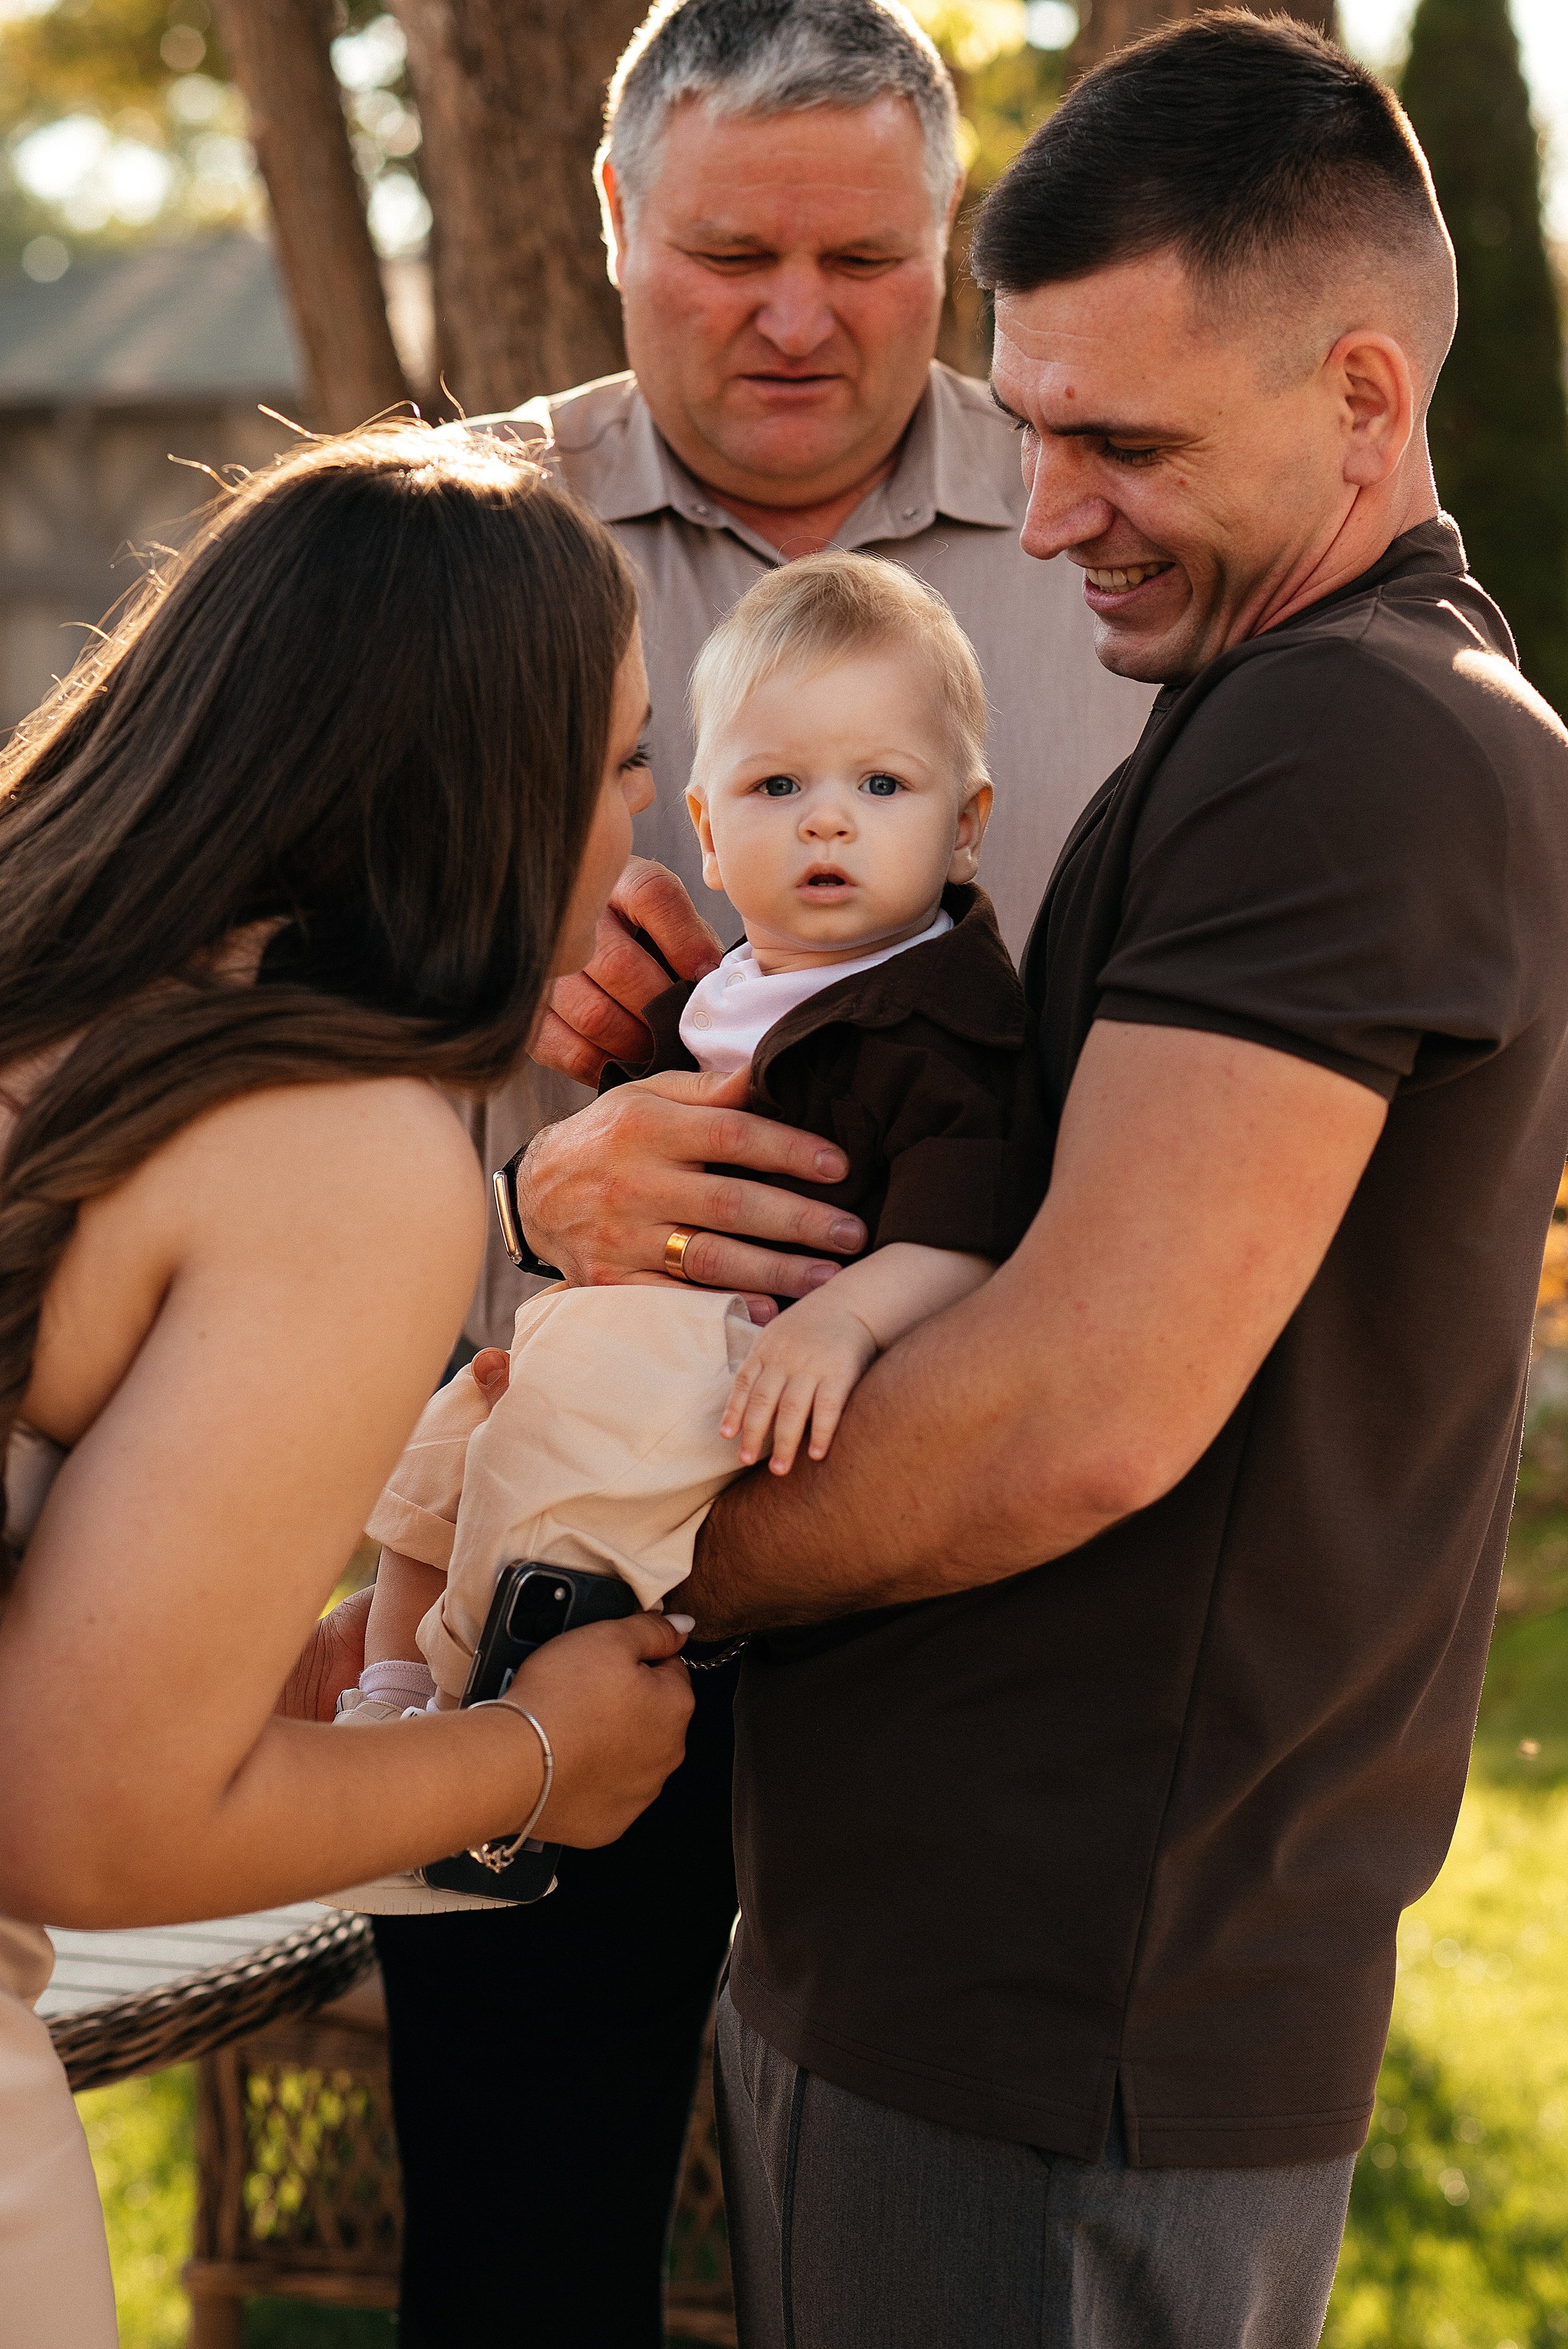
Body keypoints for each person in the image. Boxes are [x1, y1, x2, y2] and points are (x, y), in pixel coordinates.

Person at [521, 15, 1568, 2345]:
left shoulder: (1348, 741)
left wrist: (579, 1563)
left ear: (1367, 402)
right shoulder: (1288, 706)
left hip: (1071, 1991)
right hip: (986, 1962)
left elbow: (1077, 1401)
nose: (1051, 498)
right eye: (1039, 417)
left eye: (1118, 439)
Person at [371, 1, 1149, 2334]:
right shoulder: (420, 553)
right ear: (614, 219)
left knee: (943, 2266)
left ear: (952, 240)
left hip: (973, 1597)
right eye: (729, 253)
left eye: (869, 257)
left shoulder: (1105, 535)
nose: (801, 317)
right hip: (555, 1565)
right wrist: (496, 1054)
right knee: (520, 2241)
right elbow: (231, 1044)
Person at [0, 423, 695, 2348]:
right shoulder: (342, 1137)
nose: (647, 819)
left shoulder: (60, 981)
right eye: (627, 757)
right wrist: (542, 1757)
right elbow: (84, 1815)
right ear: (481, 786)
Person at [340, 556, 1044, 1861]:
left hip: (760, 1359)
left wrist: (840, 1329)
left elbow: (962, 1230)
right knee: (459, 1426)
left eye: (879, 786)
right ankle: (391, 1691)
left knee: (552, 1451)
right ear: (710, 834)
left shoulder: (944, 1021)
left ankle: (467, 1713)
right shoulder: (718, 991)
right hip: (623, 1334)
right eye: (779, 788)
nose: (826, 823)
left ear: (964, 821)